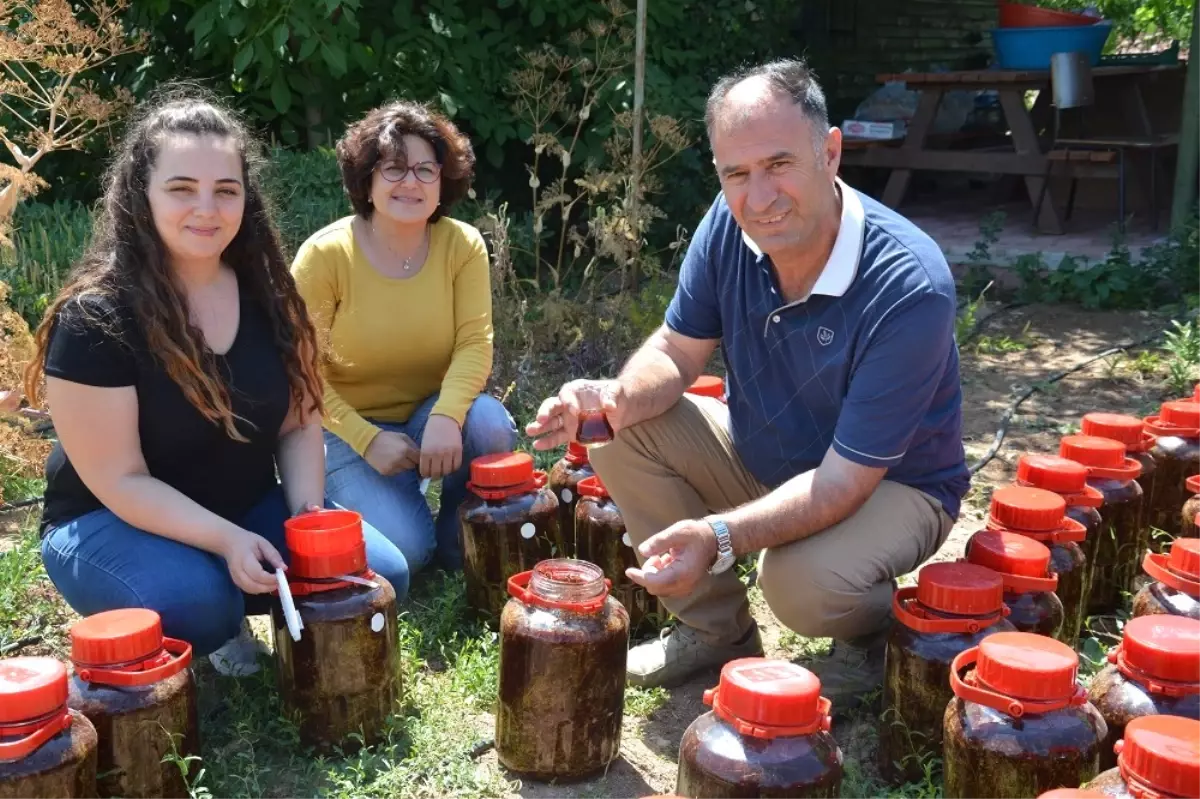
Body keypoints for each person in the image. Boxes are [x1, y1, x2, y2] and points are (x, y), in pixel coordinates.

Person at [526, 59, 968, 704]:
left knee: (799, 584)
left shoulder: (907, 285)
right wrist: (615, 397)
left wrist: (719, 536)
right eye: (737, 174)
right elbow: (676, 351)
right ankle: (718, 633)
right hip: (768, 456)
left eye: (779, 164)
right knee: (621, 430)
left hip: (893, 484)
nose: (759, 198)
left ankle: (875, 638)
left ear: (830, 153)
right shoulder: (729, 225)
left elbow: (843, 483)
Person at [26, 89, 410, 676]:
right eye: (182, 188)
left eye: (226, 190)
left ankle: (241, 594)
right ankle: (214, 616)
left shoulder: (271, 297)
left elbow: (300, 423)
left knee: (379, 573)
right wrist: (227, 540)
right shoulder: (95, 319)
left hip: (242, 505)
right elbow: (121, 481)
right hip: (107, 520)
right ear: (142, 193)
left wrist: (308, 519)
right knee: (202, 606)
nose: (206, 208)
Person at [291, 101, 517, 575]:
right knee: (409, 553)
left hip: (428, 417)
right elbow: (298, 371)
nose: (410, 182)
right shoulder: (325, 256)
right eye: (394, 168)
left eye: (425, 169)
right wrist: (367, 438)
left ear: (442, 180)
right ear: (367, 180)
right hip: (342, 430)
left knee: (488, 423)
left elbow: (474, 343)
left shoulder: (463, 246)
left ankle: (460, 544)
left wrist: (447, 416)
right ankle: (350, 502)